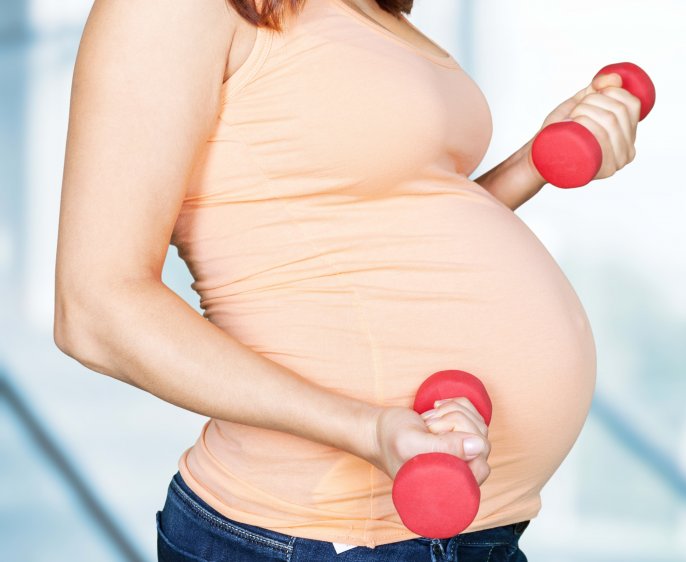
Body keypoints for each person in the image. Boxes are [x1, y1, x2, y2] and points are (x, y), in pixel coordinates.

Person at [53, 0, 641, 559]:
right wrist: (368, 431)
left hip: (472, 526)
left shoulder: (366, 10)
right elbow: (96, 310)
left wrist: (535, 162)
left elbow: (395, 232)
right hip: (318, 536)